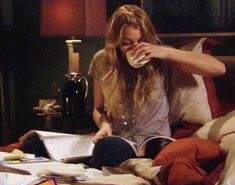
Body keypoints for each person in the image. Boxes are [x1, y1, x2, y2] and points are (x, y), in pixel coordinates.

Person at [88, 4, 226, 169]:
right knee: (105, 150)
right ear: (115, 42)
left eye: (141, 41)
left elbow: (219, 69)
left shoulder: (160, 57)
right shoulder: (102, 60)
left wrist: (165, 52)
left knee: (169, 159)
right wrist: (104, 125)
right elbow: (98, 108)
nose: (136, 48)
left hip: (156, 141)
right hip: (122, 141)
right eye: (127, 43)